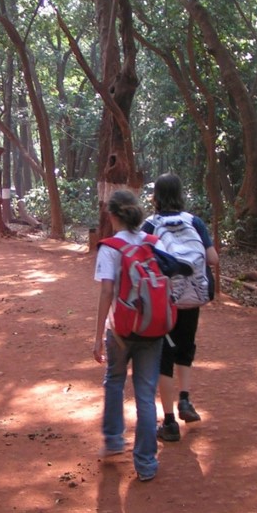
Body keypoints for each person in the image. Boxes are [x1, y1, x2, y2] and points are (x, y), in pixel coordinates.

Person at [93, 188, 182, 482]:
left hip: (120, 328)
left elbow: (107, 292)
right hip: (153, 327)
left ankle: (114, 439)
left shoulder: (110, 248)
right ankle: (146, 463)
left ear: (112, 215)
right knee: (145, 394)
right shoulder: (153, 242)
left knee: (115, 381)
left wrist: (97, 336)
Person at [142, 173, 218, 442]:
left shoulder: (150, 225)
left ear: (156, 196)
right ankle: (185, 400)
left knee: (164, 357)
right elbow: (213, 258)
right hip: (192, 297)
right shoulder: (194, 222)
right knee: (186, 350)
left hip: (165, 301)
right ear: (181, 194)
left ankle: (170, 423)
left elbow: (141, 262)